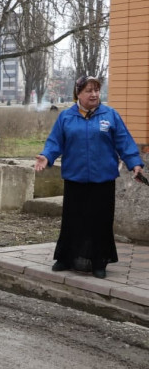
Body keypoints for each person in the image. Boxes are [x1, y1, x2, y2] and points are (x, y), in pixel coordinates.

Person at [34, 75, 144, 279]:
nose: (94, 94)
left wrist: (135, 164)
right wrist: (46, 156)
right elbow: (54, 142)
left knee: (100, 223)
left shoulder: (110, 115)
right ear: (79, 94)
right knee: (73, 221)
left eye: (96, 90)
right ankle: (65, 258)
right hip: (75, 178)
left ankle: (99, 262)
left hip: (103, 179)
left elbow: (124, 142)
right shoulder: (66, 117)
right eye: (88, 91)